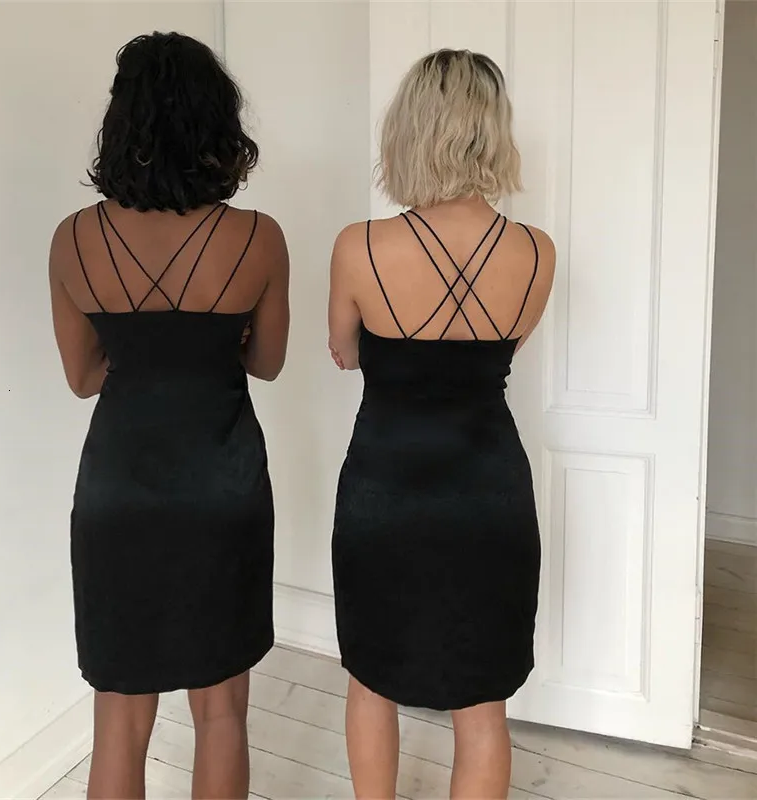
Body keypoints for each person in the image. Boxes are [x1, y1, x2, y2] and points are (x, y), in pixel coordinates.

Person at [49, 33, 289, 800]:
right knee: (220, 714)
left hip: (118, 493)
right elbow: (268, 362)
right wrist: (217, 344)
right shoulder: (258, 238)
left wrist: (139, 353)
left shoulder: (73, 239)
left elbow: (83, 378)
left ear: (121, 122)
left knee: (119, 719)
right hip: (223, 490)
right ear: (218, 122)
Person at [328, 49, 555, 799]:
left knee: (371, 679)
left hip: (383, 491)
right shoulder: (537, 252)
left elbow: (343, 353)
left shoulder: (359, 246)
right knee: (481, 702)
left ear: (408, 129)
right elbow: (503, 351)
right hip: (489, 491)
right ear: (493, 129)